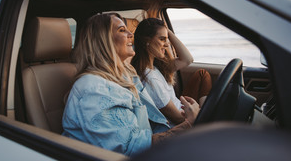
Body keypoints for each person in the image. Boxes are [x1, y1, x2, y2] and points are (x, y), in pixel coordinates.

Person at [62, 13, 199, 156]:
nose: (130, 34)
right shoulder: (95, 88)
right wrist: (188, 125)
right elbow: (130, 148)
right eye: (122, 30)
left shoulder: (126, 76)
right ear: (103, 41)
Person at [131, 18, 212, 125]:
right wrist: (197, 114)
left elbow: (187, 59)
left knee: (202, 74)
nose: (167, 44)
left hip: (183, 108)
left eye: (166, 39)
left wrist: (166, 30)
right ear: (147, 41)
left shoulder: (156, 66)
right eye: (162, 39)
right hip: (184, 120)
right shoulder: (149, 79)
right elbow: (178, 119)